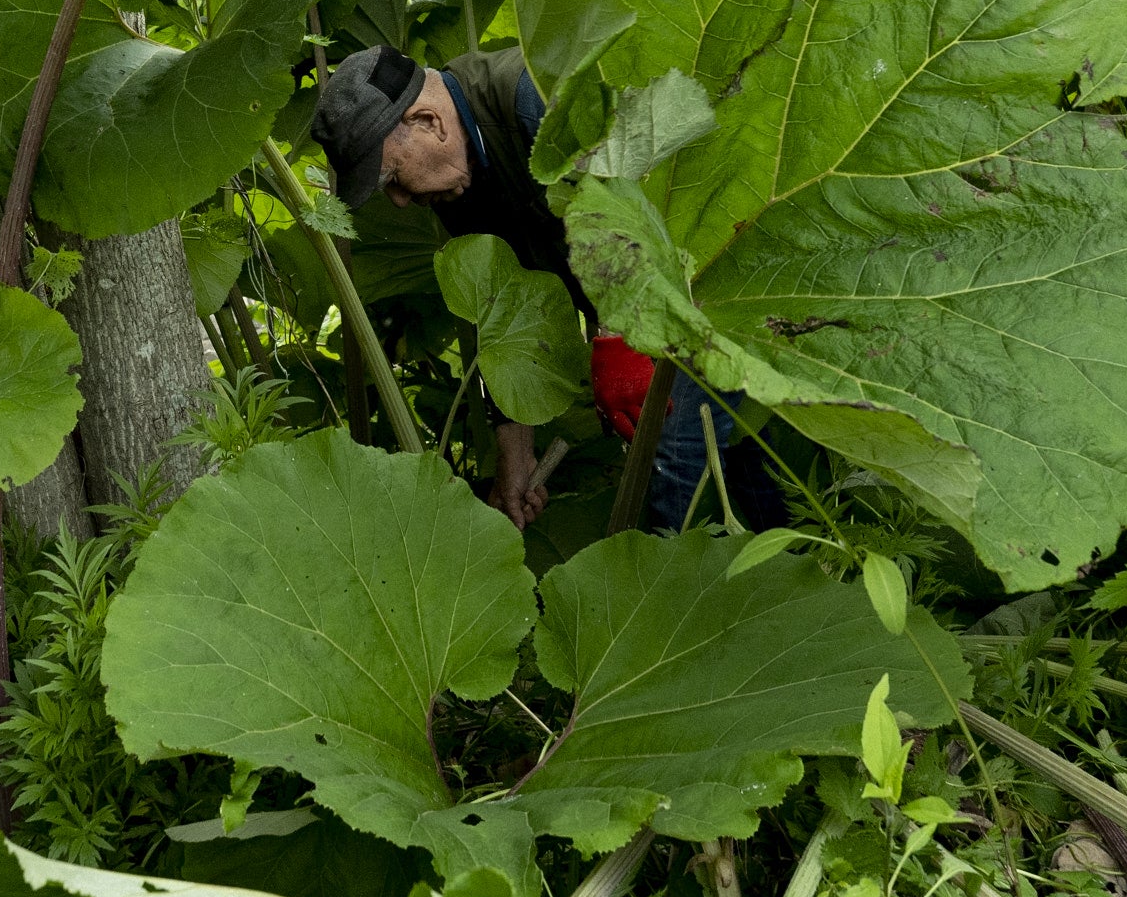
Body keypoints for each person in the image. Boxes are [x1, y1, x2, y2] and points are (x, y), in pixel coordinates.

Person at [310, 43, 783, 532]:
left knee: (669, 453)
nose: (399, 201)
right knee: (735, 441)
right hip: (659, 299)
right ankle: (799, 555)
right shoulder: (456, 185)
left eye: (392, 177)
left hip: (713, 257)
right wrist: (514, 455)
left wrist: (617, 337)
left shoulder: (535, 98)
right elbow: (512, 307)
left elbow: (632, 204)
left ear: (429, 122)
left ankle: (673, 573)